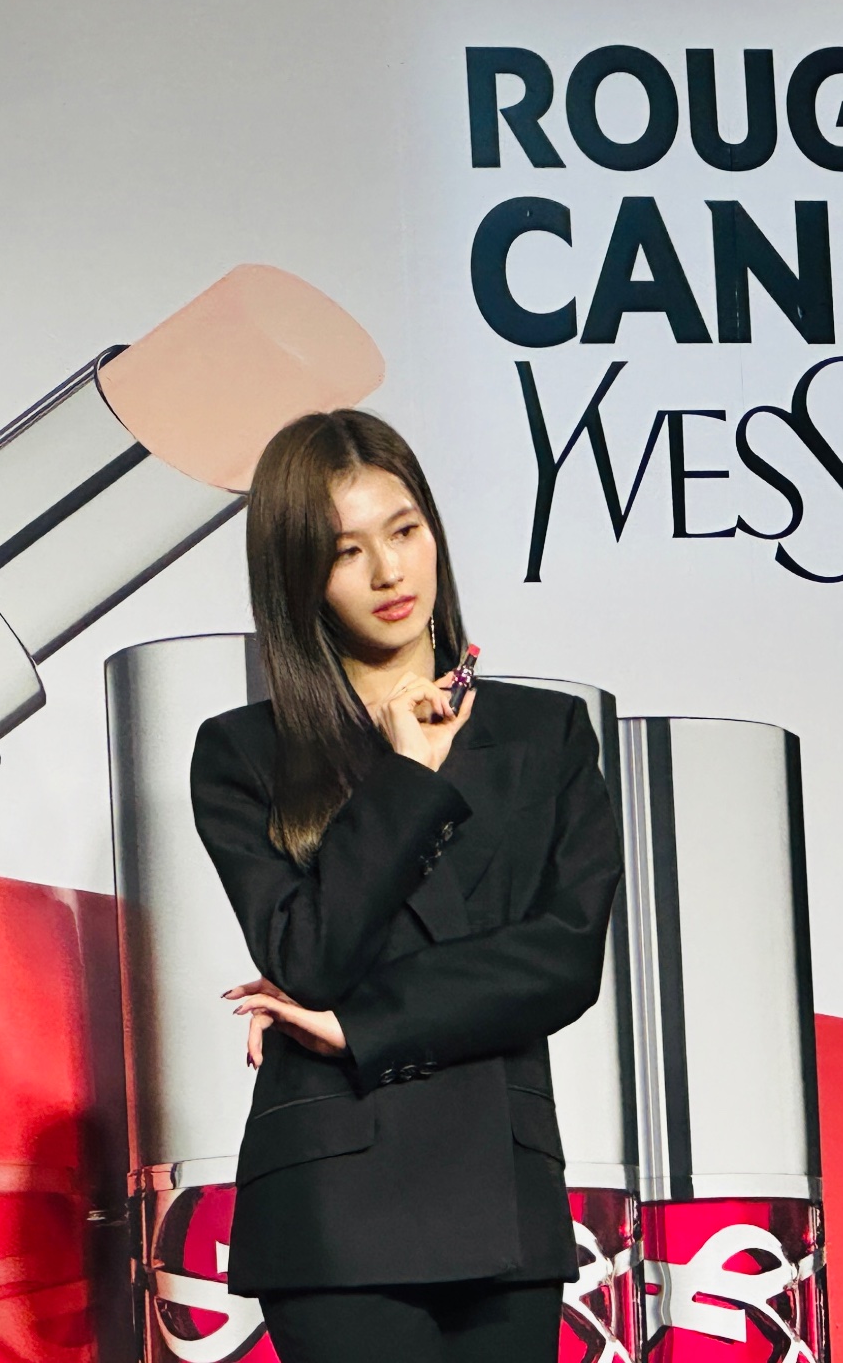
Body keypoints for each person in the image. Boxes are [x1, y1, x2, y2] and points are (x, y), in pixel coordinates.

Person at [188, 409, 620, 1363]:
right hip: (336, 1204)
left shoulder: (548, 734)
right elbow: (310, 955)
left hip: (505, 1191)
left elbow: (564, 958)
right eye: (347, 552)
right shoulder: (243, 753)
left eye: (405, 530)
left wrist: (363, 1025)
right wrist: (405, 776)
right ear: (299, 576)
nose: (389, 572)